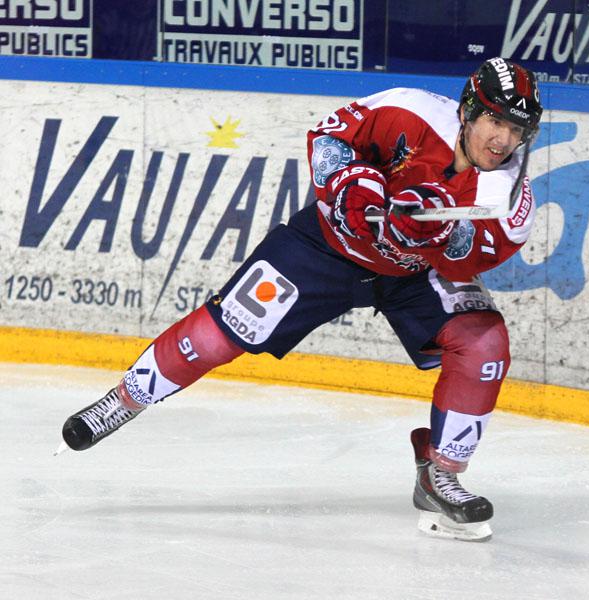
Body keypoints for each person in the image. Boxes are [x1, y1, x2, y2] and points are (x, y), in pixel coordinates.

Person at [60, 57, 543, 542]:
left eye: (516, 129)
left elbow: (467, 260)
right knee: (222, 332)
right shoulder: (408, 110)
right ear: (467, 111)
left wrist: (439, 236)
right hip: (326, 248)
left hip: (413, 272)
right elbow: (329, 138)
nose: (503, 140)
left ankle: (440, 474)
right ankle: (123, 400)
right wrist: (351, 184)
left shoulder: (510, 198)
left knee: (484, 344)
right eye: (494, 121)